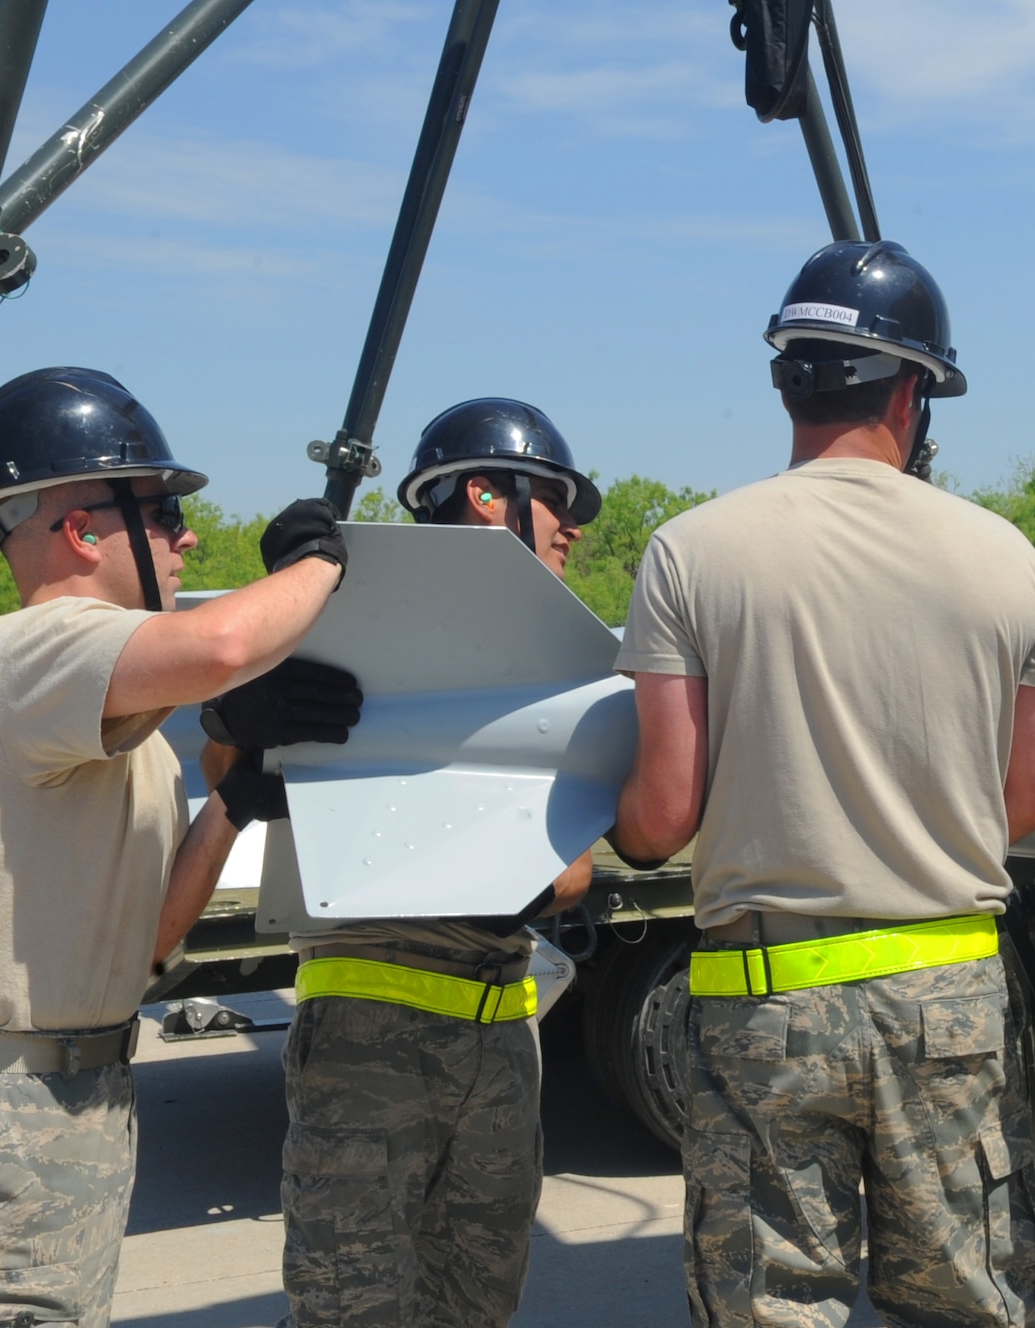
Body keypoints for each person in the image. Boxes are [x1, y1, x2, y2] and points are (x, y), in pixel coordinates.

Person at [611, 240, 1035, 1328]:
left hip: (764, 1001)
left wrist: (620, 832)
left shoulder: (690, 551)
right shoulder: (1007, 557)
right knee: (967, 1302)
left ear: (786, 378)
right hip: (949, 997)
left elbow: (664, 813)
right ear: (914, 390)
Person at [0, 366, 353, 1328]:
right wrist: (321, 562)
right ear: (81, 529)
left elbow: (147, 942)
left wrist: (231, 799)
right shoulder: (14, 649)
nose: (186, 535)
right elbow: (224, 649)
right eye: (160, 513)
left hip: (63, 1107)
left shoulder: (122, 738)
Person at [268, 398, 599, 1328]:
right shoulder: (338, 612)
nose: (574, 525)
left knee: (474, 1312)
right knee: (351, 1311)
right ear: (490, 494)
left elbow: (568, 877)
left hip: (496, 1039)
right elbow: (237, 771)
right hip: (366, 1039)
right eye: (559, 498)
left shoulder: (556, 654)